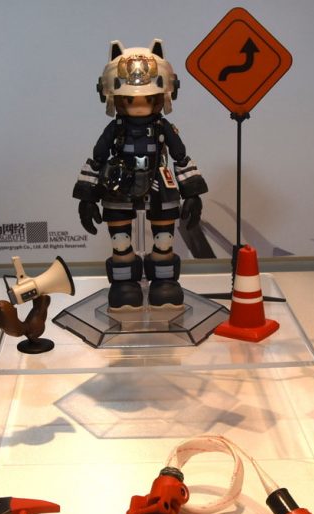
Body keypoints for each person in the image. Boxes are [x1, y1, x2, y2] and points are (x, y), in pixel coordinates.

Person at [73, 39, 208, 311]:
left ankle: (164, 281)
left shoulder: (162, 127)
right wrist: (87, 197)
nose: (139, 105)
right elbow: (97, 159)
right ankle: (124, 284)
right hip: (119, 185)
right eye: (129, 99)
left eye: (147, 98)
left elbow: (180, 156)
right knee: (120, 240)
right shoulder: (115, 129)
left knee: (164, 239)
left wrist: (192, 192)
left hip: (158, 182)